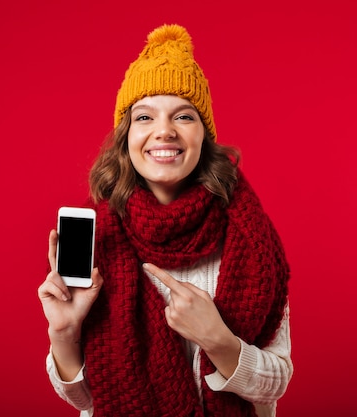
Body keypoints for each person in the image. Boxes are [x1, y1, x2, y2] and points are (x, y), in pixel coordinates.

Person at [38, 23, 293, 417]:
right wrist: (65, 332)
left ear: (203, 134)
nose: (164, 132)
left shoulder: (249, 238)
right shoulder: (99, 242)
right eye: (144, 118)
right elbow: (87, 400)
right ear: (126, 135)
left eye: (184, 116)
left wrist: (219, 341)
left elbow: (278, 380)